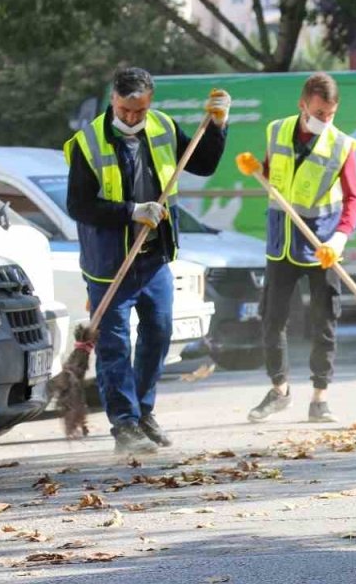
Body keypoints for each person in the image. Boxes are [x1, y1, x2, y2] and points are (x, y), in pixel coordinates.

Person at [65, 67, 230, 454]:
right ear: (113, 100)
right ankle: (123, 423)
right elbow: (79, 205)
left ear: (150, 102)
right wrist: (131, 210)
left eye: (138, 111)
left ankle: (143, 412)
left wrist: (219, 125)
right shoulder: (87, 143)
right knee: (115, 344)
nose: (131, 118)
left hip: (153, 257)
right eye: (125, 110)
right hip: (110, 263)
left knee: (158, 334)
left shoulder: (163, 127)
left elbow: (203, 163)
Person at [245, 73, 356, 424]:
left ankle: (319, 398)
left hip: (321, 245)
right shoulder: (277, 131)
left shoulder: (341, 146)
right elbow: (272, 175)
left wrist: (338, 239)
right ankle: (279, 390)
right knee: (272, 318)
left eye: (330, 114)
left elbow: (354, 199)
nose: (324, 121)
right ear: (302, 105)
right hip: (281, 244)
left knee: (324, 319)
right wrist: (256, 169)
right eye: (318, 113)